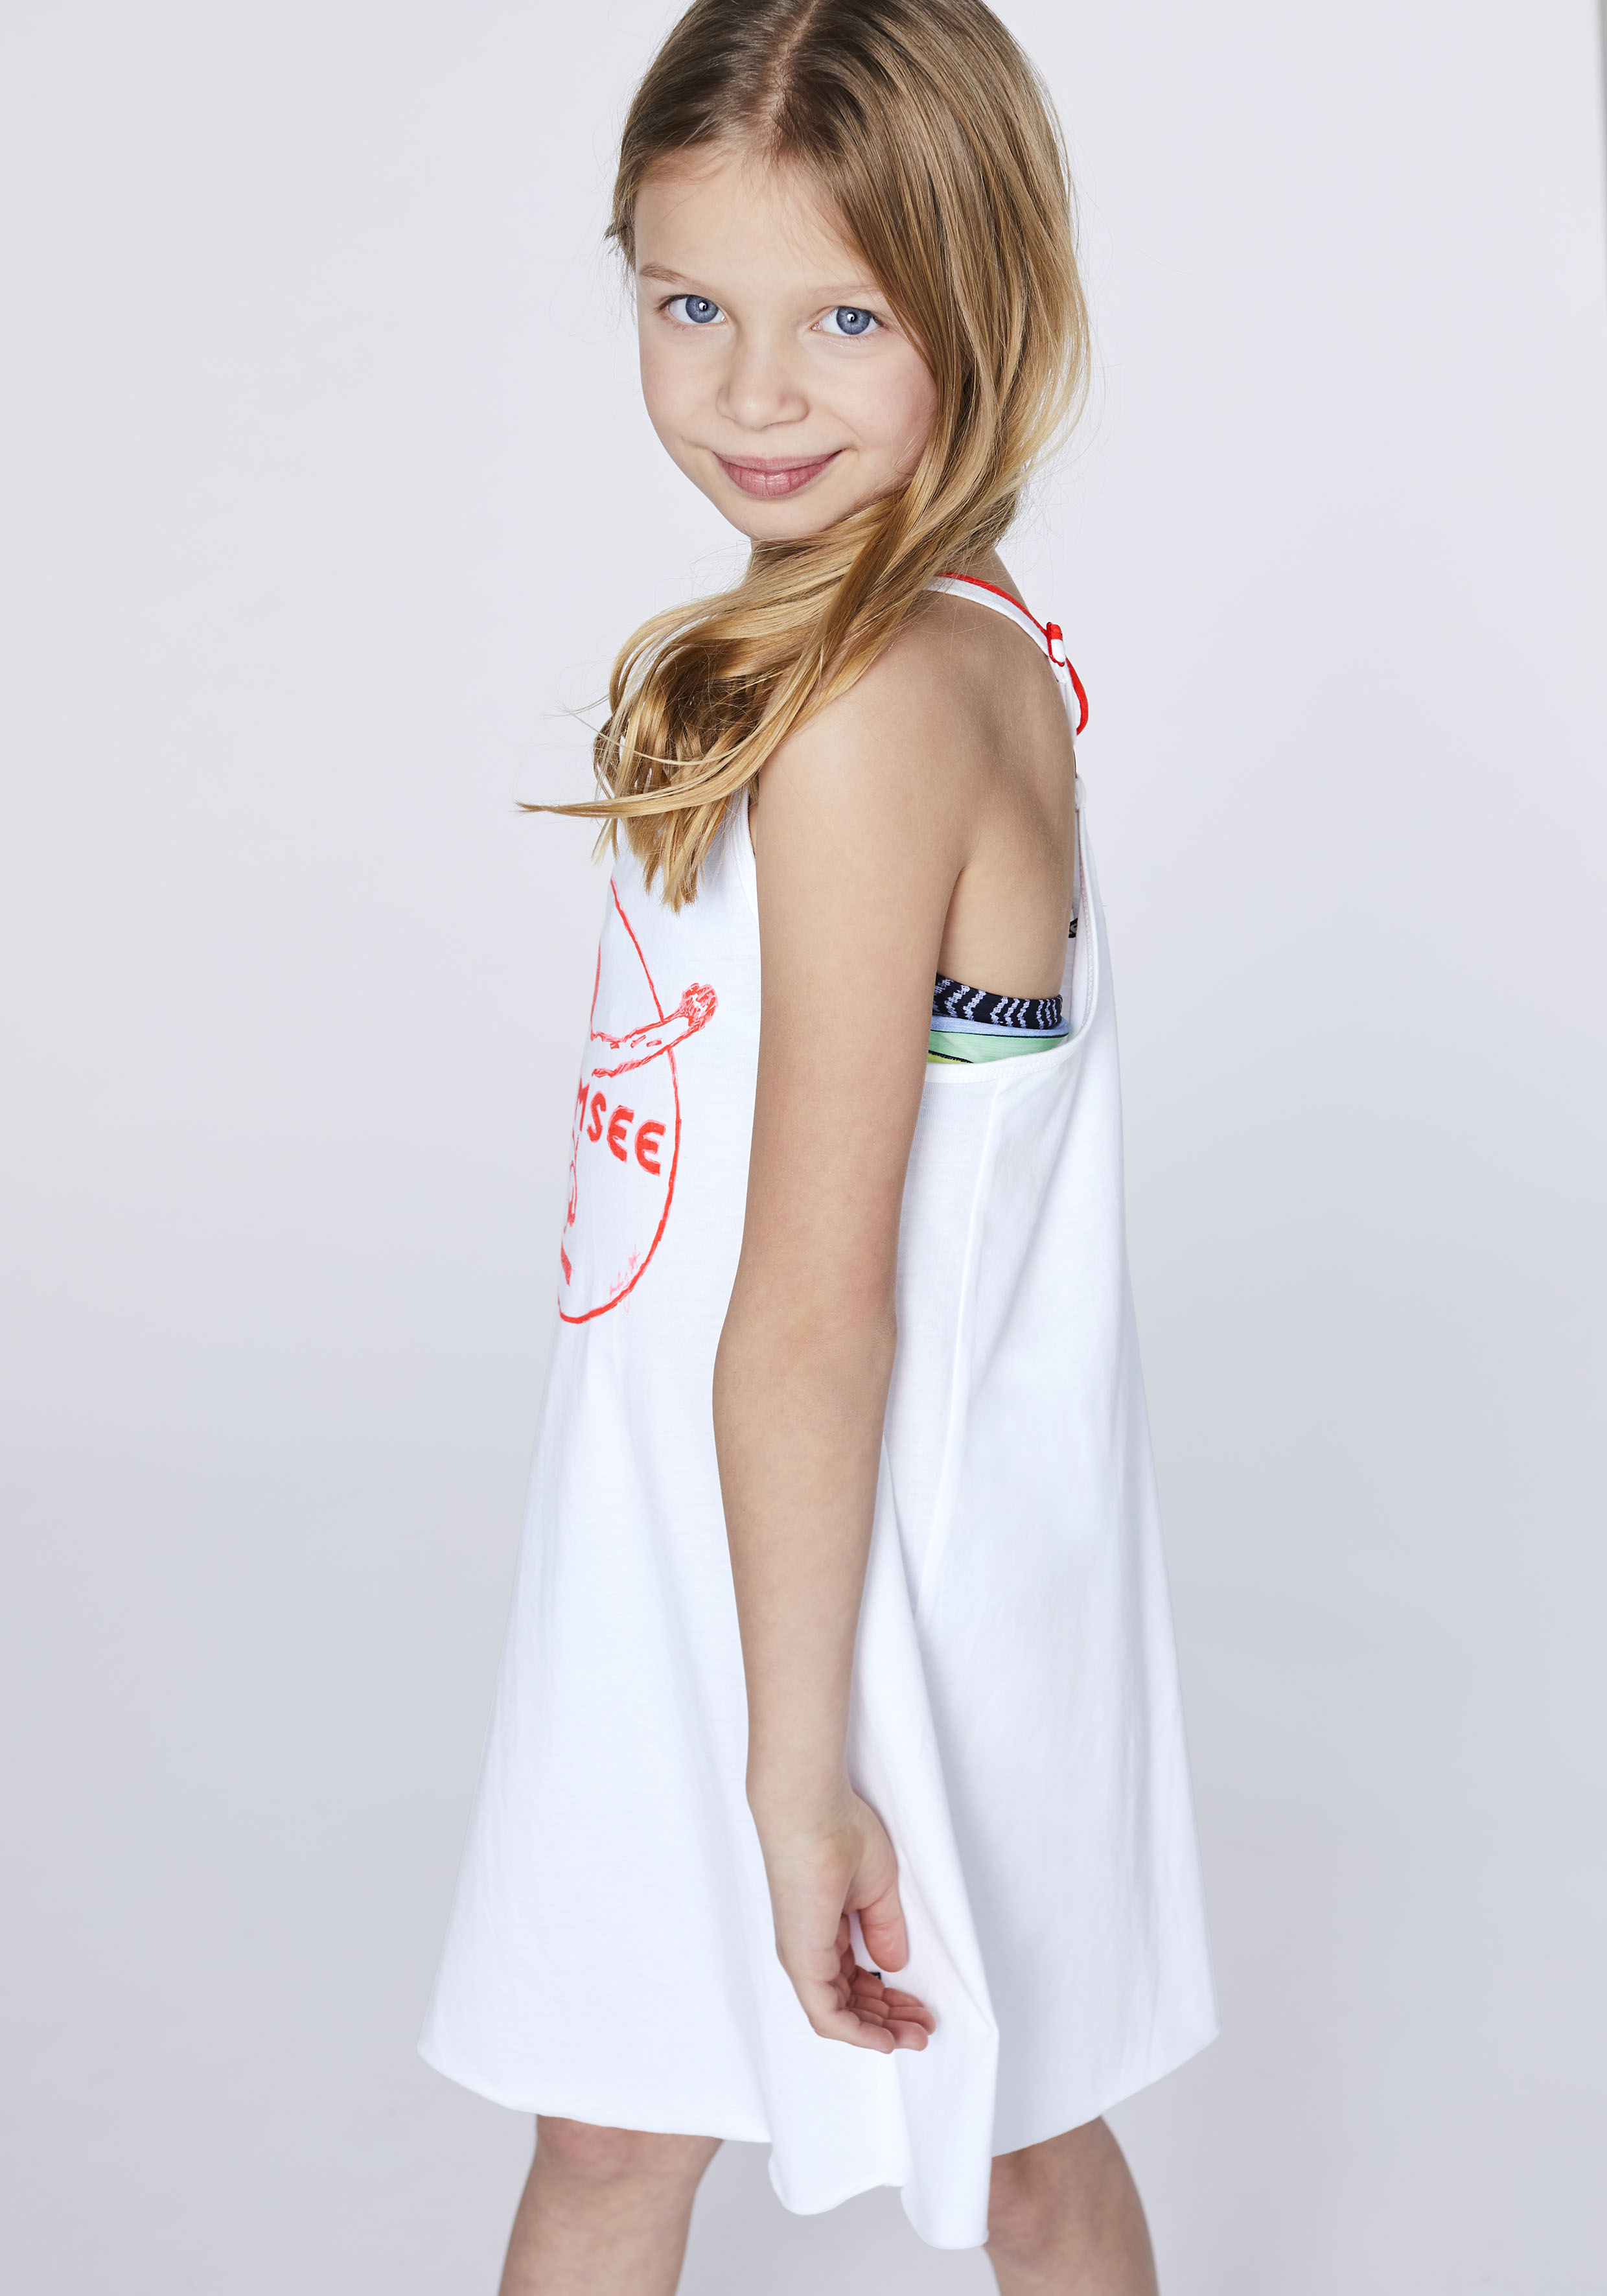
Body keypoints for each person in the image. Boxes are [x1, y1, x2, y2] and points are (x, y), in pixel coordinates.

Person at [420, 2, 1216, 2288]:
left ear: (986, 299)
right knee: (663, 2123)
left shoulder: (878, 706)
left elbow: (815, 1297)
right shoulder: (875, 646)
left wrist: (794, 1770)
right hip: (723, 1519)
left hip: (848, 1562)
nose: (753, 393)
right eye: (692, 306)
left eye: (846, 319)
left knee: (982, 2124)